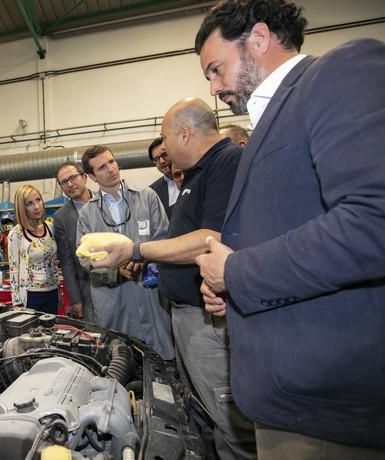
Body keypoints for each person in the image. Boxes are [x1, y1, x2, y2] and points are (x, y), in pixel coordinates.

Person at [192, 1, 385, 458]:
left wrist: (238, 273)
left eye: (216, 69)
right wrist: (228, 285)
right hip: (288, 402)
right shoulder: (267, 125)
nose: (214, 88)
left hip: (329, 408)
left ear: (258, 38)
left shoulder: (344, 73)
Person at [86, 99, 255, 459]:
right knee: (209, 411)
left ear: (184, 133)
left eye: (165, 137)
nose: (163, 149)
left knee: (228, 417)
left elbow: (210, 238)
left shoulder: (227, 162)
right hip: (186, 313)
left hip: (206, 317)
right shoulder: (198, 173)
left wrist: (136, 250)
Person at [77, 145, 174, 360]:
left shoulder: (147, 197)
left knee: (161, 356)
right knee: (121, 359)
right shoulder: (87, 213)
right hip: (112, 297)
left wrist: (143, 257)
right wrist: (117, 272)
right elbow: (85, 260)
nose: (111, 169)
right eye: (102, 167)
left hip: (149, 291)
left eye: (112, 162)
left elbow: (164, 237)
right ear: (92, 176)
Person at [53, 161, 94, 321]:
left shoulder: (106, 200)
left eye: (73, 178)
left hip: (120, 284)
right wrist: (75, 299)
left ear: (84, 177)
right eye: (64, 182)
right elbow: (66, 261)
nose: (69, 184)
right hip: (87, 289)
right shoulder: (61, 217)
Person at [8, 185, 58, 314]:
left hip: (52, 292)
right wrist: (17, 303)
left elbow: (53, 264)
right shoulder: (16, 234)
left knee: (51, 331)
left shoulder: (50, 228)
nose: (36, 206)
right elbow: (14, 269)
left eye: (38, 200)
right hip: (30, 296)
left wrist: (59, 290)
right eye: (29, 203)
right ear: (21, 208)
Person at [148, 137, 179, 217]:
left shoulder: (194, 179)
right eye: (157, 159)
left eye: (165, 155)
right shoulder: (152, 191)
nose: (162, 161)